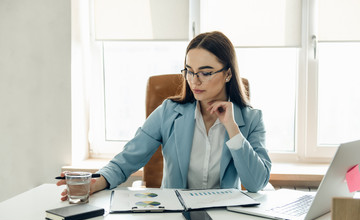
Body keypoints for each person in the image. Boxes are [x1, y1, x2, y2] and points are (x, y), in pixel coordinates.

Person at [57, 31, 271, 200]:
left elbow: (256, 183)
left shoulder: (251, 119)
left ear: (228, 74)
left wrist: (232, 128)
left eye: (205, 72)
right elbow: (127, 159)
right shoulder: (169, 112)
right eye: (189, 70)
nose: (195, 80)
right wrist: (97, 180)